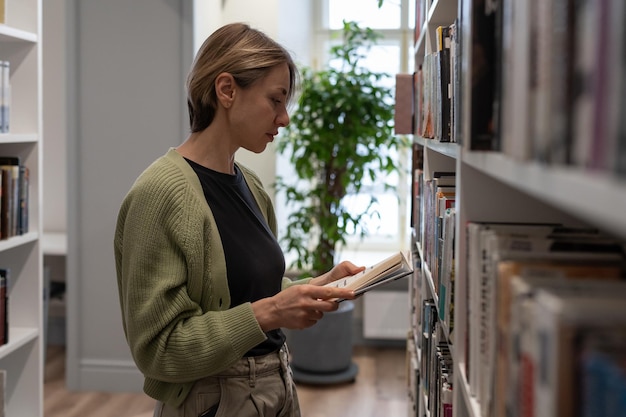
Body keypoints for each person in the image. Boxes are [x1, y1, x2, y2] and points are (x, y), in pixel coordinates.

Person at [114, 22, 364, 417]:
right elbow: (158, 350)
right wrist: (272, 312)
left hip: (275, 386)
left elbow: (245, 291)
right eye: (275, 100)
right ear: (227, 90)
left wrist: (311, 288)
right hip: (213, 400)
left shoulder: (251, 185)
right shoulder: (160, 193)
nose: (284, 119)